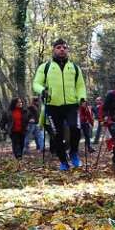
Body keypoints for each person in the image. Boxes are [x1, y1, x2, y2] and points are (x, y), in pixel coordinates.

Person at [32, 38, 88, 171]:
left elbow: (80, 86)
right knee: (57, 134)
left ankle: (73, 153)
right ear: (53, 50)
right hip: (52, 106)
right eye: (58, 47)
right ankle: (63, 161)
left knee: (75, 129)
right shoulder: (45, 67)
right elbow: (36, 83)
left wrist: (82, 98)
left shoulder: (74, 67)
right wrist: (42, 90)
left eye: (64, 47)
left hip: (71, 105)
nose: (62, 49)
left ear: (67, 50)